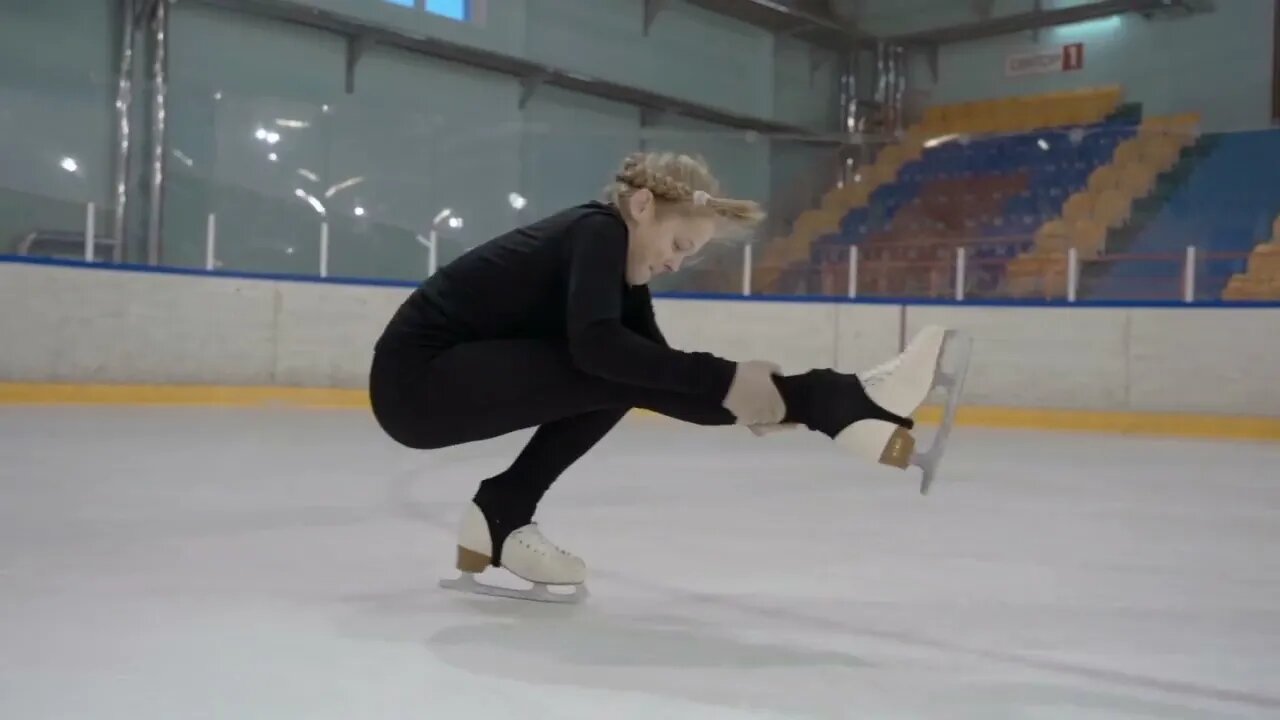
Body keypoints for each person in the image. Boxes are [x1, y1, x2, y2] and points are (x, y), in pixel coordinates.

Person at [369, 152, 956, 602]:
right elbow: (610, 354)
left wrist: (772, 404)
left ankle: (499, 516)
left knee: (623, 372)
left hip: (437, 386)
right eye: (678, 243)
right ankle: (845, 399)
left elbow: (663, 380)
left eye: (689, 255)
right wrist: (760, 391)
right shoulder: (596, 230)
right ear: (642, 206)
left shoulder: (618, 280)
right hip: (417, 381)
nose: (676, 262)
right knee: (610, 363)